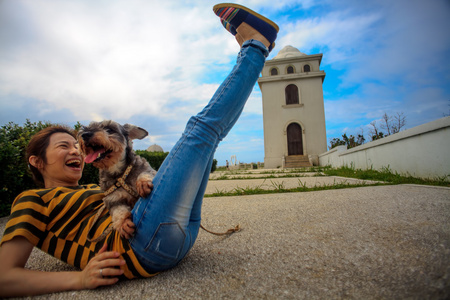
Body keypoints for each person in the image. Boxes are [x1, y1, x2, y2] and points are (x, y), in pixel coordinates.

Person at [0, 3, 279, 297]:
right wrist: (80, 279)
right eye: (64, 146)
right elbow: (4, 278)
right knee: (200, 132)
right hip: (141, 247)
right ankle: (256, 45)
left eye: (75, 144)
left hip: (181, 236)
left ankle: (254, 47)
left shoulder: (95, 187)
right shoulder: (31, 199)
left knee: (209, 141)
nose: (76, 150)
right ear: (36, 161)